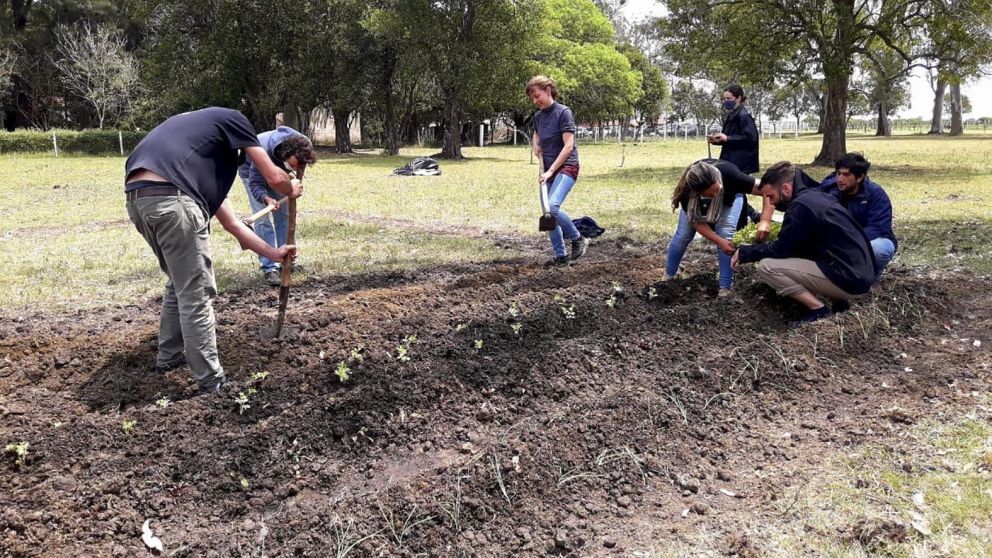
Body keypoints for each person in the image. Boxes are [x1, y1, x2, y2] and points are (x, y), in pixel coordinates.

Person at [125, 107, 303, 394]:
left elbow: (233, 225)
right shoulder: (235, 119)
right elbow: (275, 178)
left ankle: (169, 359)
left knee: (180, 282)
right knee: (196, 292)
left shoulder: (198, 159)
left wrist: (273, 254)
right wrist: (290, 186)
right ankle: (212, 383)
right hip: (173, 201)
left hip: (140, 199)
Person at [731, 161, 876, 326]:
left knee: (767, 267)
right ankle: (839, 303)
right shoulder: (816, 197)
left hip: (850, 280)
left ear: (786, 188)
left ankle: (818, 310)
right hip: (861, 273)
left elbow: (782, 249)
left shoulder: (801, 207)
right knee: (809, 253)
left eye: (771, 196)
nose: (770, 203)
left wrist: (746, 252)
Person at [664, 159, 774, 297]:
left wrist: (764, 221)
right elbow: (696, 222)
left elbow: (768, 190)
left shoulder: (731, 175)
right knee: (683, 235)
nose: (714, 195)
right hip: (697, 203)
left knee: (725, 234)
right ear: (696, 192)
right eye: (709, 194)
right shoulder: (687, 190)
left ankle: (725, 289)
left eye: (715, 191)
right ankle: (668, 278)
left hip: (730, 196)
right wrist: (718, 241)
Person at [239, 126, 317, 286]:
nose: (297, 168)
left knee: (283, 216)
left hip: (277, 168)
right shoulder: (263, 151)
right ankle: (269, 268)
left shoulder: (303, 146)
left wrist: (296, 184)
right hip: (250, 170)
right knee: (263, 221)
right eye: (295, 165)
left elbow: (300, 167)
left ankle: (286, 260)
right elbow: (255, 183)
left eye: (300, 165)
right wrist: (267, 199)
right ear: (286, 153)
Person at [527, 75, 589, 266]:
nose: (536, 101)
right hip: (548, 170)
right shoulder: (538, 117)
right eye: (532, 99)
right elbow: (536, 135)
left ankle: (578, 239)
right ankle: (560, 256)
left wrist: (551, 171)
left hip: (566, 167)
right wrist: (535, 145)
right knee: (547, 214)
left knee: (552, 208)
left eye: (537, 96)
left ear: (548, 90)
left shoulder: (564, 113)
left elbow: (568, 146)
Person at [818, 152, 897, 279]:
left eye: (846, 175)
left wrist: (850, 241)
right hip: (838, 241)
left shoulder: (876, 194)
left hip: (869, 239)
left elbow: (879, 227)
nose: (840, 179)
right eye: (838, 173)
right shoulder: (829, 191)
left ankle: (872, 277)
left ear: (859, 177)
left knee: (878, 250)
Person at [707, 84, 760, 225]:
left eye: (728, 98)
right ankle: (752, 216)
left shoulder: (744, 116)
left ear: (738, 98)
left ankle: (743, 222)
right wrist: (718, 140)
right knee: (734, 192)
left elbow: (750, 138)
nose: (726, 101)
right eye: (724, 99)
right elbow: (730, 138)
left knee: (737, 193)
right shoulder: (732, 115)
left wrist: (727, 138)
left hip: (741, 163)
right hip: (730, 160)